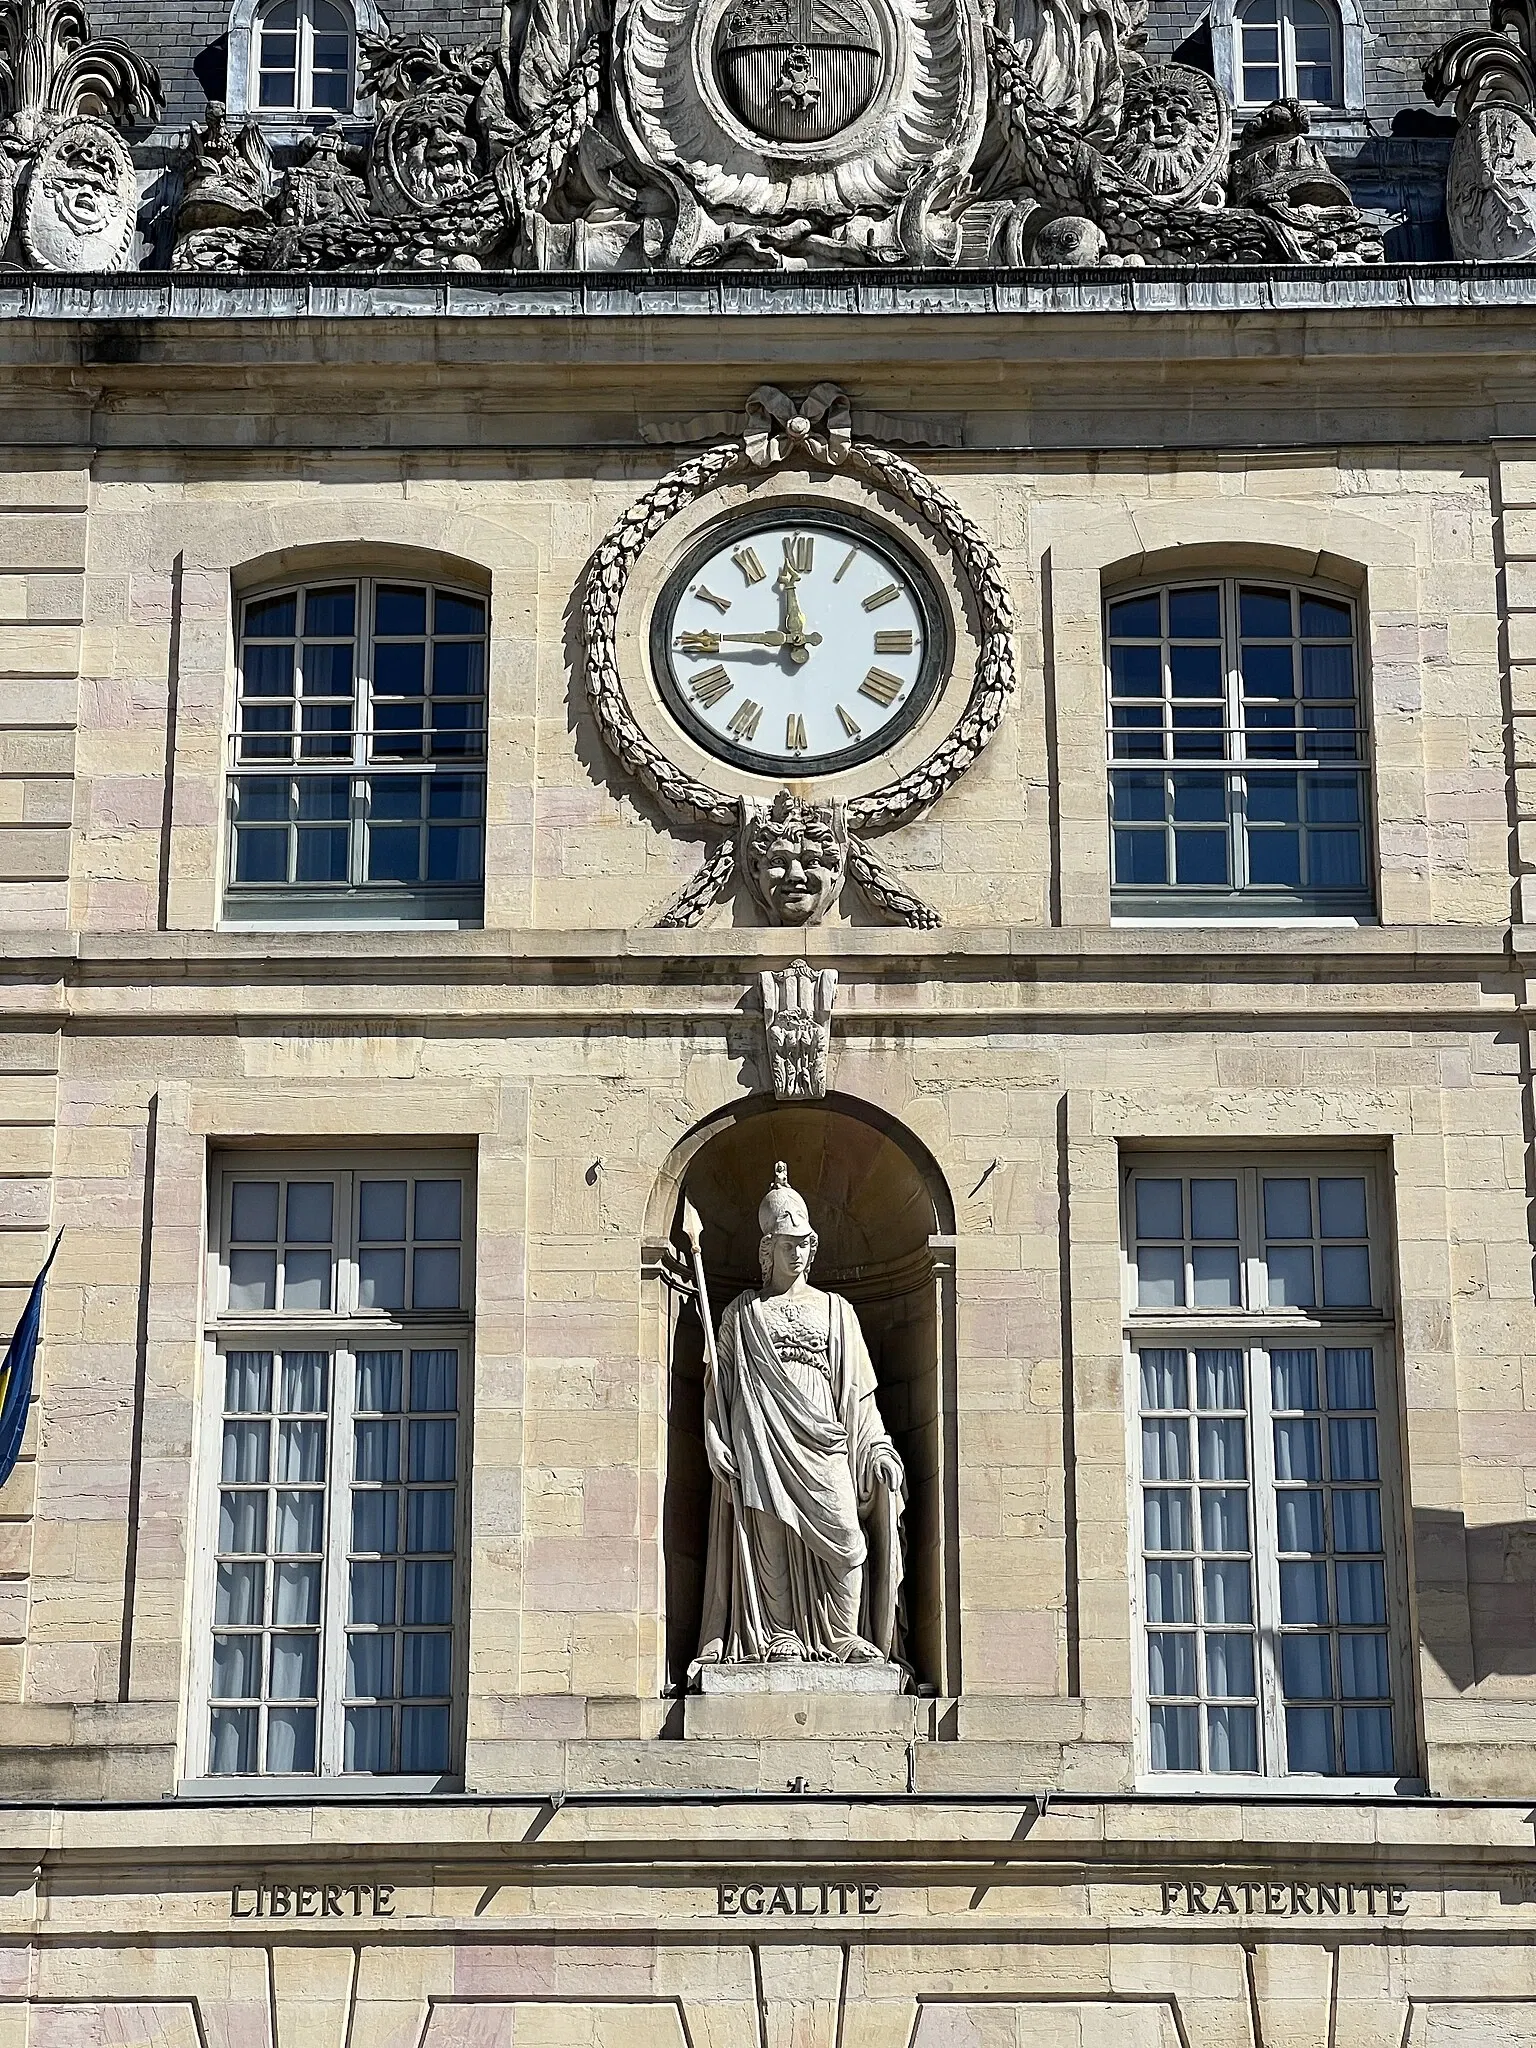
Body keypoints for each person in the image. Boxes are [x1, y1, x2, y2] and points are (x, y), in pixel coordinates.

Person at [695, 1162, 905, 1668]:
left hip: (823, 1435)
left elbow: (859, 1395)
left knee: (847, 1537)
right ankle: (780, 1633)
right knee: (771, 1530)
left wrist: (877, 1449)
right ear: (767, 1250)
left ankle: (842, 1636)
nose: (798, 1252)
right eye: (788, 1244)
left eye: (804, 1243)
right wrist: (714, 1437)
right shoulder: (741, 1313)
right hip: (760, 1435)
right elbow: (718, 1389)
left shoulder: (837, 1310)